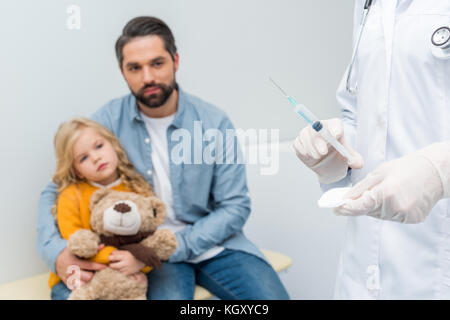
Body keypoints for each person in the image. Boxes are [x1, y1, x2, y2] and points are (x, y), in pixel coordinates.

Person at [38, 16, 289, 300]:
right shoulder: (106, 122)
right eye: (135, 68)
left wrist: (166, 247)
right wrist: (56, 252)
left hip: (214, 247)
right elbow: (55, 188)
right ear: (122, 72)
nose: (148, 78)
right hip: (142, 255)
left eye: (157, 63)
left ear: (175, 61)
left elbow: (235, 206)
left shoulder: (213, 122)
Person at [294, 0, 450, 299]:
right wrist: (334, 152)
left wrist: (440, 170)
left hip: (436, 267)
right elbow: (359, 109)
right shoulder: (370, 3)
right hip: (362, 268)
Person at [49, 117, 156, 299]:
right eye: (83, 158)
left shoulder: (136, 189)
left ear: (113, 144)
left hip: (126, 276)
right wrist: (116, 257)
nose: (96, 157)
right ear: (76, 171)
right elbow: (76, 243)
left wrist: (139, 262)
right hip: (80, 276)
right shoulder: (71, 195)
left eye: (99, 146)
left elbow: (150, 238)